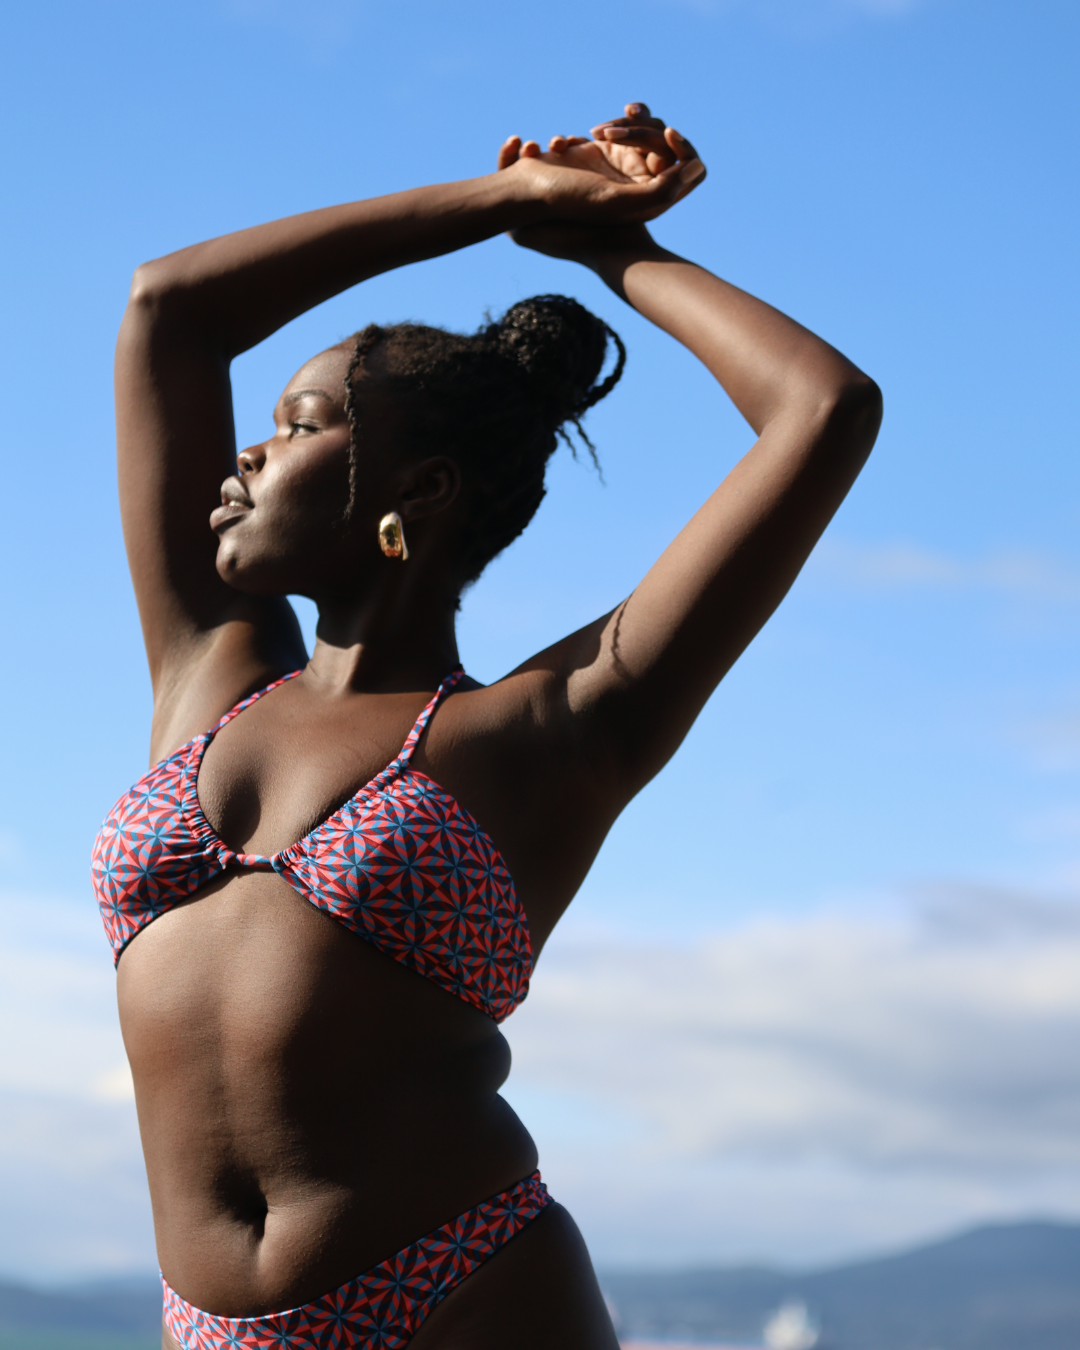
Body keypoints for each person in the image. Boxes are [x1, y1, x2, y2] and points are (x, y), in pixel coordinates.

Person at [92, 103, 882, 1350]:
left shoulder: (560, 724)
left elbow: (823, 408)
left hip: (463, 1293)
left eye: (301, 423)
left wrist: (610, 248)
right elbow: (168, 310)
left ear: (418, 489)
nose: (248, 453)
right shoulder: (211, 671)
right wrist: (508, 199)